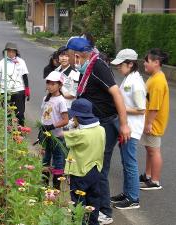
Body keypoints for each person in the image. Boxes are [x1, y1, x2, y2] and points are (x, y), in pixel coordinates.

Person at [65, 37, 131, 225]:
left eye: (68, 54)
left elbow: (116, 93)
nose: (67, 58)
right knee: (92, 166)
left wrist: (124, 124)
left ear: (76, 55)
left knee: (98, 167)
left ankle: (104, 212)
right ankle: (92, 208)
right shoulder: (86, 67)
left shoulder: (98, 66)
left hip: (105, 123)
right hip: (93, 122)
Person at [110, 49, 146, 209]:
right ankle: (127, 193)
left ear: (130, 64)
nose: (118, 67)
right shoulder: (129, 78)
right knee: (126, 162)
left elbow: (141, 109)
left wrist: (121, 108)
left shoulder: (136, 83)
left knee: (130, 163)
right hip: (126, 127)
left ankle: (133, 198)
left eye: (121, 64)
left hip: (131, 129)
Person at [64, 98, 105, 225]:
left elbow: (63, 135)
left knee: (78, 203)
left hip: (79, 172)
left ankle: (79, 222)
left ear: (78, 118)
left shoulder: (80, 134)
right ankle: (93, 222)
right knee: (94, 201)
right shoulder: (101, 130)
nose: (72, 120)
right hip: (95, 170)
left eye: (73, 118)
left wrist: (69, 127)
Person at [139, 48, 169, 190]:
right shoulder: (155, 76)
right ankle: (148, 175)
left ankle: (155, 181)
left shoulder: (157, 81)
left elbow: (155, 107)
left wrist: (149, 123)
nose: (144, 63)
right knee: (150, 149)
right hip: (150, 121)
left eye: (147, 61)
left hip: (153, 122)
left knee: (154, 150)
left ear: (156, 62)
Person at [40, 71, 69, 190]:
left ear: (60, 85)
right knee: (46, 159)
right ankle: (44, 186)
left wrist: (52, 126)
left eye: (53, 84)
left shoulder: (61, 100)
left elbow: (65, 120)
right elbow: (43, 115)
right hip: (46, 135)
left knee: (58, 160)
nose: (50, 86)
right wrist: (42, 129)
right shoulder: (45, 98)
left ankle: (56, 189)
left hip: (57, 137)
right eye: (49, 83)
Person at [0, 42, 30, 126]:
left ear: (16, 52)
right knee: (8, 114)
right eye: (9, 51)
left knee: (20, 114)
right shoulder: (1, 62)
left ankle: (21, 131)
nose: (11, 53)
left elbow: (25, 76)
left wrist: (27, 90)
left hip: (19, 90)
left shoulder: (21, 62)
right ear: (5, 52)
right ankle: (9, 133)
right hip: (5, 91)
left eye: (13, 51)